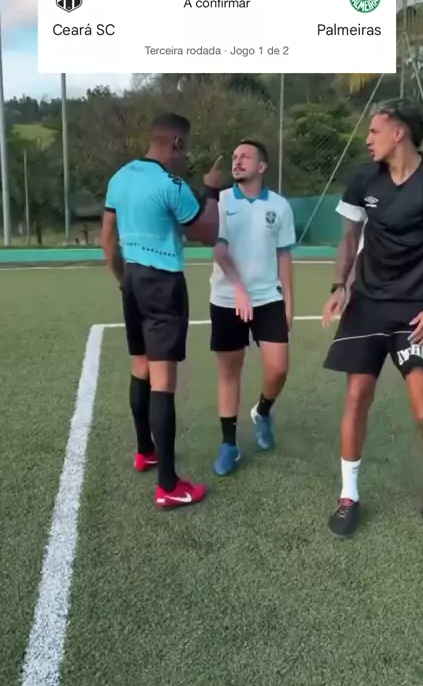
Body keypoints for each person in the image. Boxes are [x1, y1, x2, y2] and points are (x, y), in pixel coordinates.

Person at [322, 99, 423, 537]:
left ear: (399, 133)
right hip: (366, 306)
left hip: (418, 309)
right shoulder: (364, 178)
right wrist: (339, 286)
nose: (367, 139)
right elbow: (350, 235)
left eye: (375, 131)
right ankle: (348, 496)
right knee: (357, 396)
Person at [101, 111, 222, 510]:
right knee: (163, 381)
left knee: (140, 365)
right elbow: (207, 233)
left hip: (133, 279)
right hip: (163, 284)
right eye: (185, 148)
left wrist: (124, 279)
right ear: (177, 143)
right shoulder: (173, 185)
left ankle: (145, 451)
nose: (185, 156)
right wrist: (211, 190)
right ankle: (168, 485)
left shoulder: (120, 177)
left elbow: (108, 240)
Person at [209, 139, 296, 476]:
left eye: (245, 156)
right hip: (226, 299)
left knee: (278, 368)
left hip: (268, 297)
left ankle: (262, 411)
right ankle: (228, 444)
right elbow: (219, 250)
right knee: (230, 372)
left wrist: (289, 301)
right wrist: (239, 289)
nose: (237, 160)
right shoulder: (221, 202)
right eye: (234, 156)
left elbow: (284, 255)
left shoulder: (280, 206)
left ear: (261, 166)